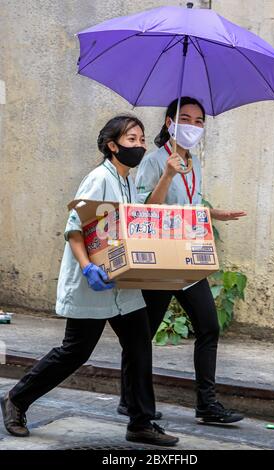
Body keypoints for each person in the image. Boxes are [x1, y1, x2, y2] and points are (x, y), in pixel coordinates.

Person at [0, 115, 179, 447]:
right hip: (93, 284)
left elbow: (145, 214)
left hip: (122, 285)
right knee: (74, 352)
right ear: (112, 146)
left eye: (142, 140)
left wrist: (167, 173)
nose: (139, 145)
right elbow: (74, 227)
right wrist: (86, 268)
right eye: (131, 140)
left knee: (139, 346)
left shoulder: (127, 180)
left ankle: (140, 422)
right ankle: (16, 399)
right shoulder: (99, 179)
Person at [118, 98, 247, 424]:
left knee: (209, 327)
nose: (192, 126)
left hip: (188, 258)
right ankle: (128, 397)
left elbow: (188, 204)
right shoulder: (154, 161)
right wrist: (167, 174)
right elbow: (145, 209)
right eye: (185, 119)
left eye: (199, 121)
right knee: (142, 334)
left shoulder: (194, 163)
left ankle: (206, 405)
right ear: (168, 123)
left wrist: (215, 213)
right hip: (160, 259)